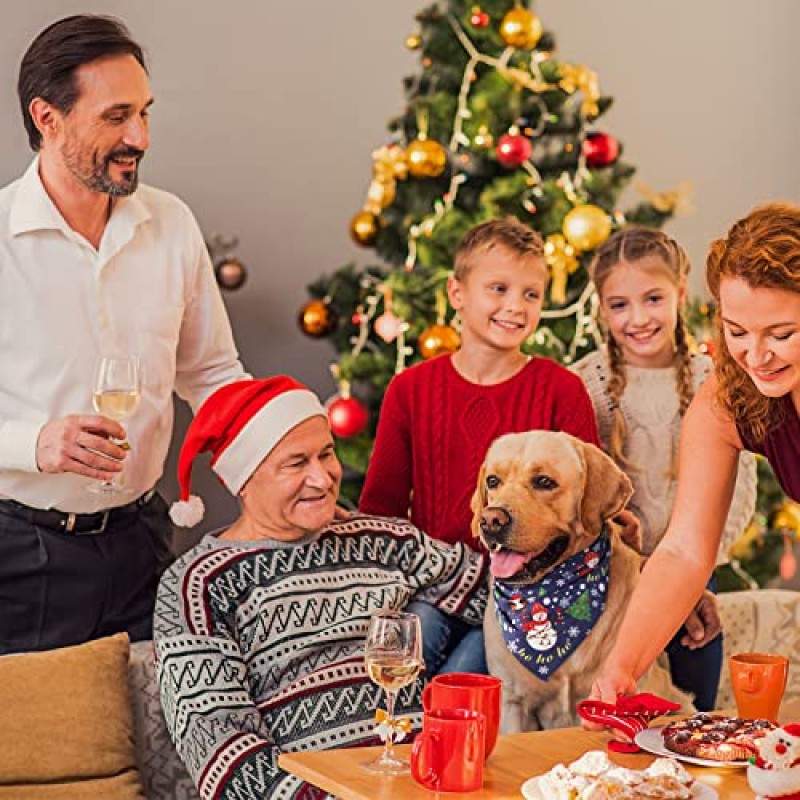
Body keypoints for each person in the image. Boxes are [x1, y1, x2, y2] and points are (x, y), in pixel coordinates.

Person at [0, 15, 247, 655]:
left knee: (151, 745)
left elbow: (215, 376)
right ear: (47, 118)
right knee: (33, 752)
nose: (139, 136)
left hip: (144, 542)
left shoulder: (171, 222)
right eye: (116, 116)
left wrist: (278, 457)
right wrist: (37, 443)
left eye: (144, 112)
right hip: (18, 558)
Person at [154, 376, 487, 800]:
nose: (324, 478)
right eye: (296, 464)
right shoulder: (198, 584)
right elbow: (220, 746)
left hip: (429, 787)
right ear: (245, 480)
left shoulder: (385, 541)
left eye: (326, 454)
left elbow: (500, 595)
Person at [359, 217, 601, 677]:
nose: (516, 306)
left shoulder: (561, 390)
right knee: (408, 654)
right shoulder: (410, 390)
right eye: (499, 289)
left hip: (525, 591)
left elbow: (583, 513)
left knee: (461, 680)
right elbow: (380, 511)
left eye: (531, 294)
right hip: (434, 585)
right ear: (457, 294)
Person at [588, 202, 800, 717]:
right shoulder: (729, 397)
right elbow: (684, 550)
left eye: (781, 333)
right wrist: (623, 666)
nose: (755, 355)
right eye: (736, 330)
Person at [570, 226, 757, 711]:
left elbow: (737, 494)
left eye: (653, 298)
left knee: (693, 704)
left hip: (694, 577)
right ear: (601, 308)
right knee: (617, 703)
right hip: (610, 578)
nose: (638, 318)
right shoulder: (586, 385)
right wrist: (638, 569)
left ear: (679, 291)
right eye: (619, 305)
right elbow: (578, 492)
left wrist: (691, 578)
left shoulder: (714, 382)